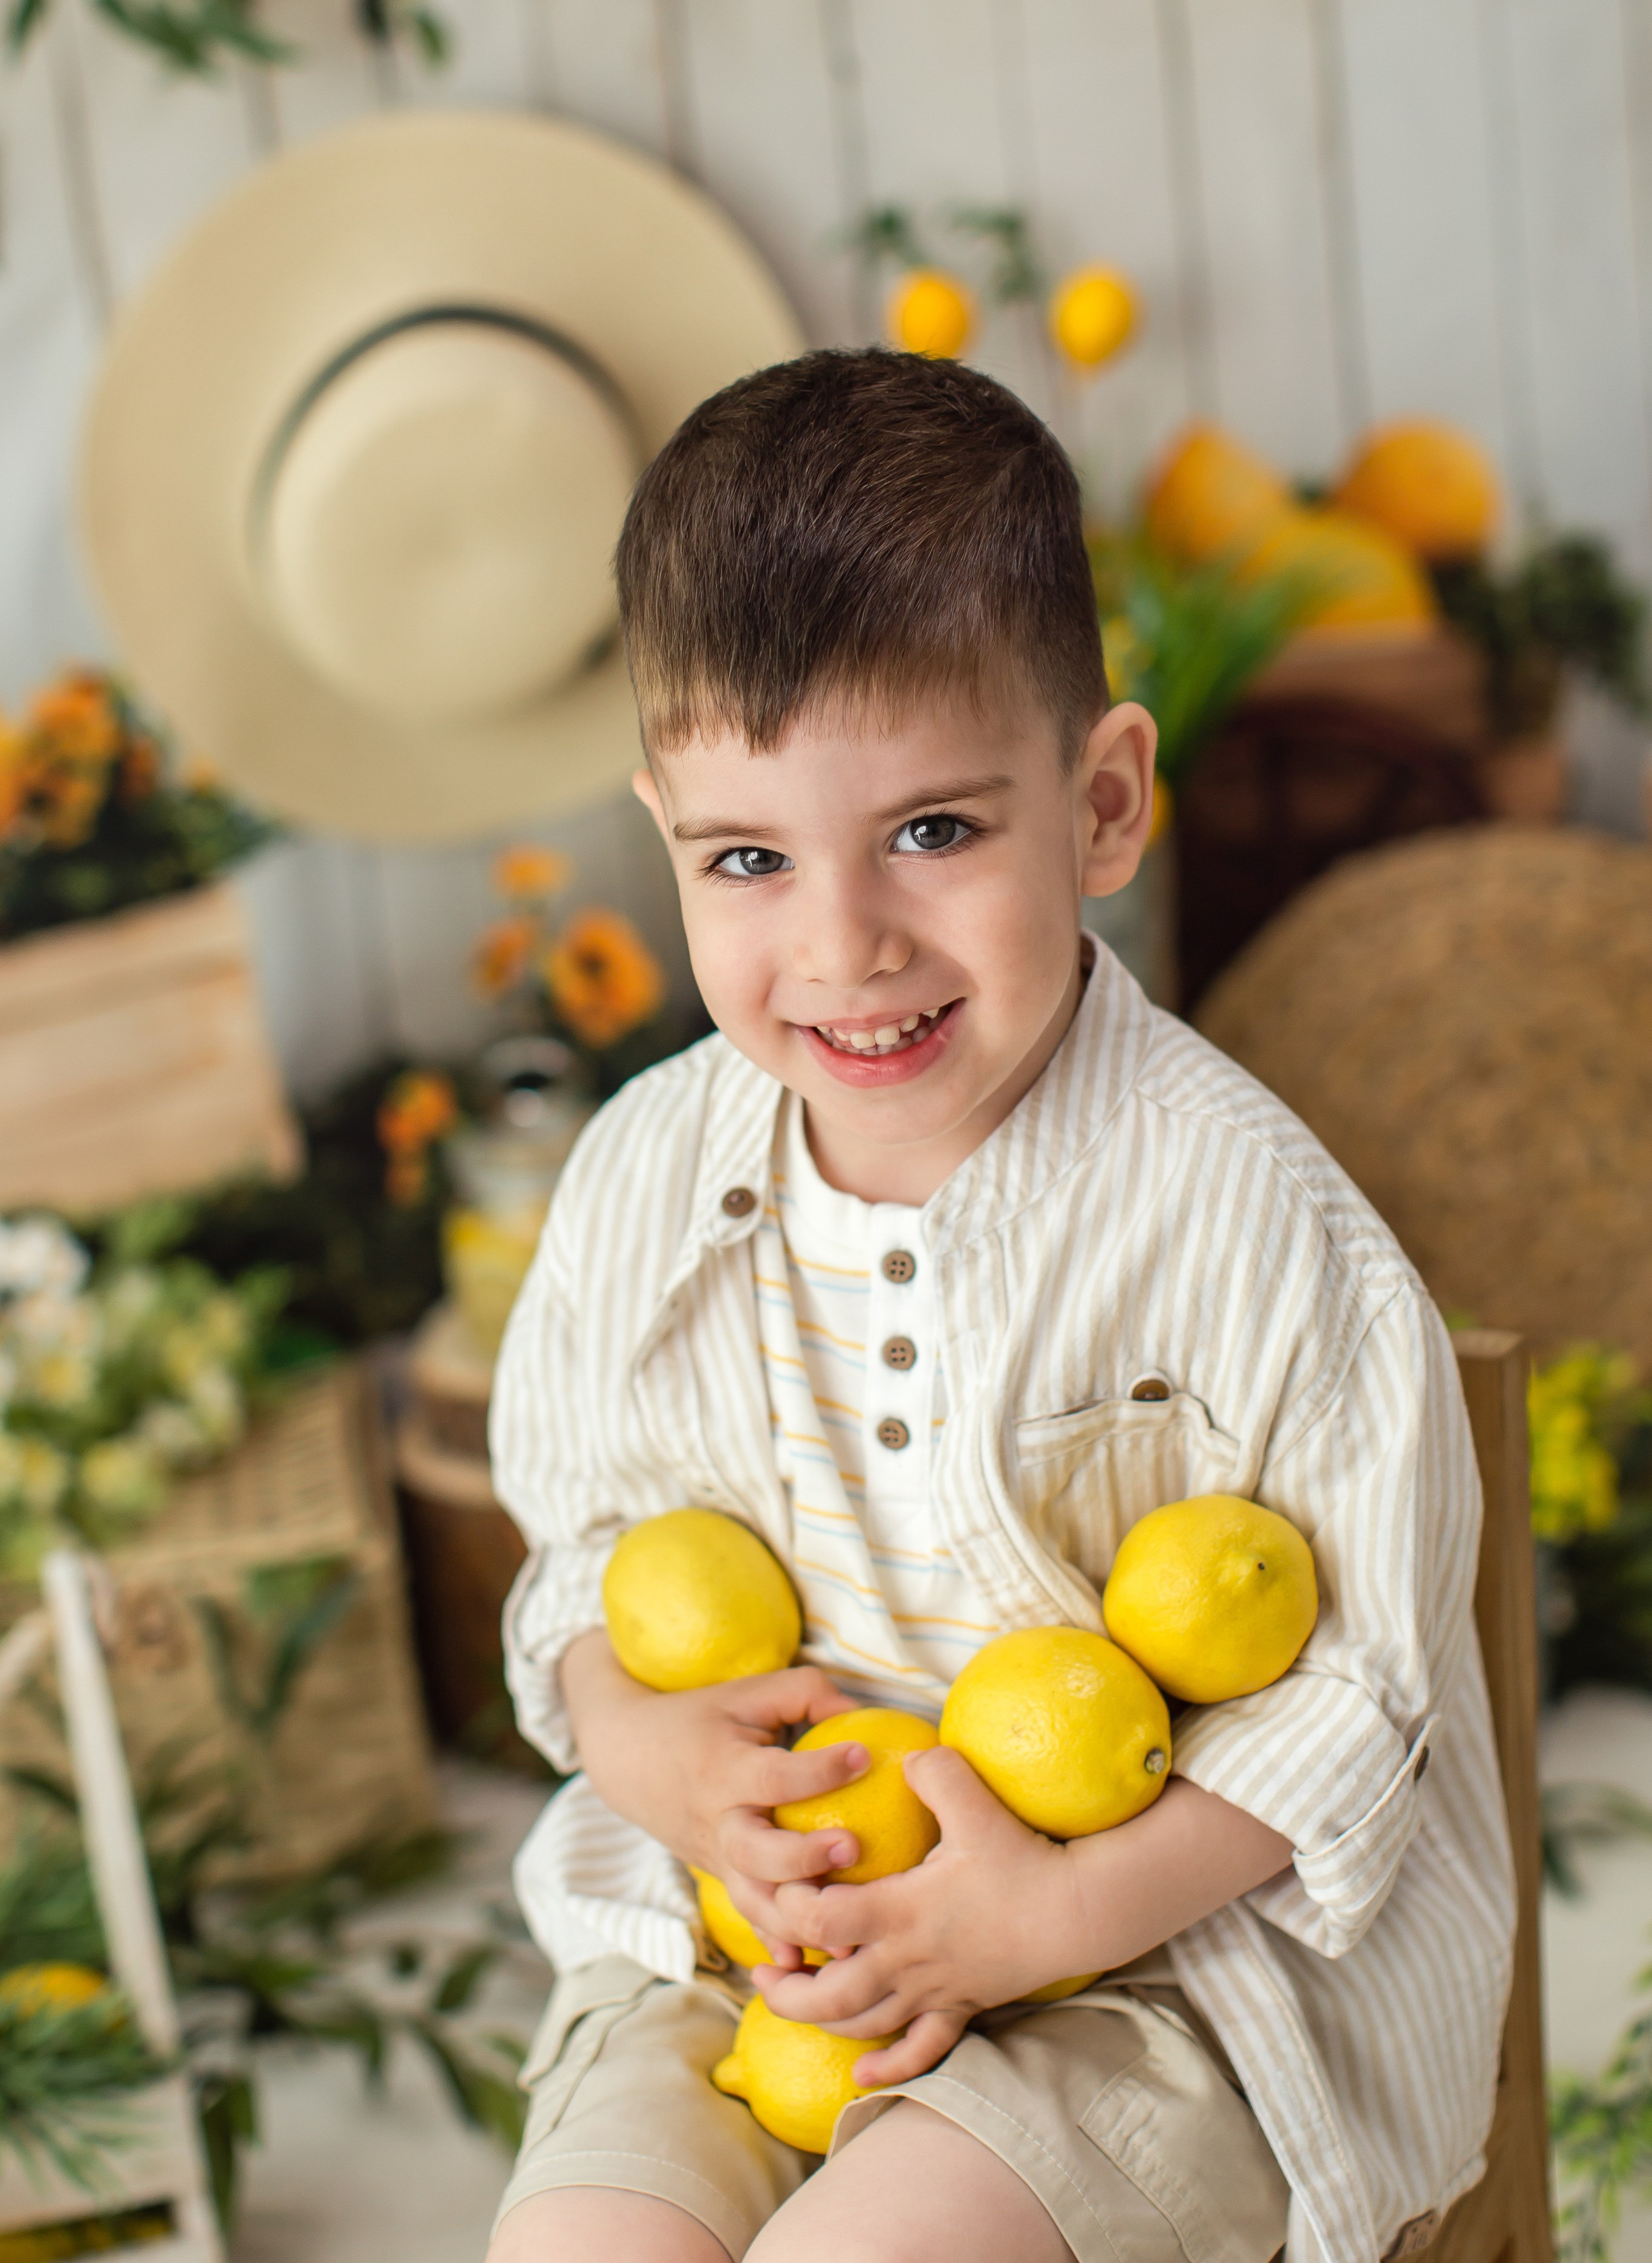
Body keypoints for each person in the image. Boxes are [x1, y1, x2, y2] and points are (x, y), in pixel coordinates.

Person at [485, 349, 1513, 2263]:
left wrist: (1042, 1919)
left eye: (935, 833)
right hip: (741, 1948)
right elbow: (574, 1572)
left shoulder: (1244, 1215)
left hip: (1158, 1978)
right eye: (748, 859)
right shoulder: (642, 1181)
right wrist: (651, 1751)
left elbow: (1360, 1700)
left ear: (1103, 803)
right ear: (668, 834)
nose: (845, 946)